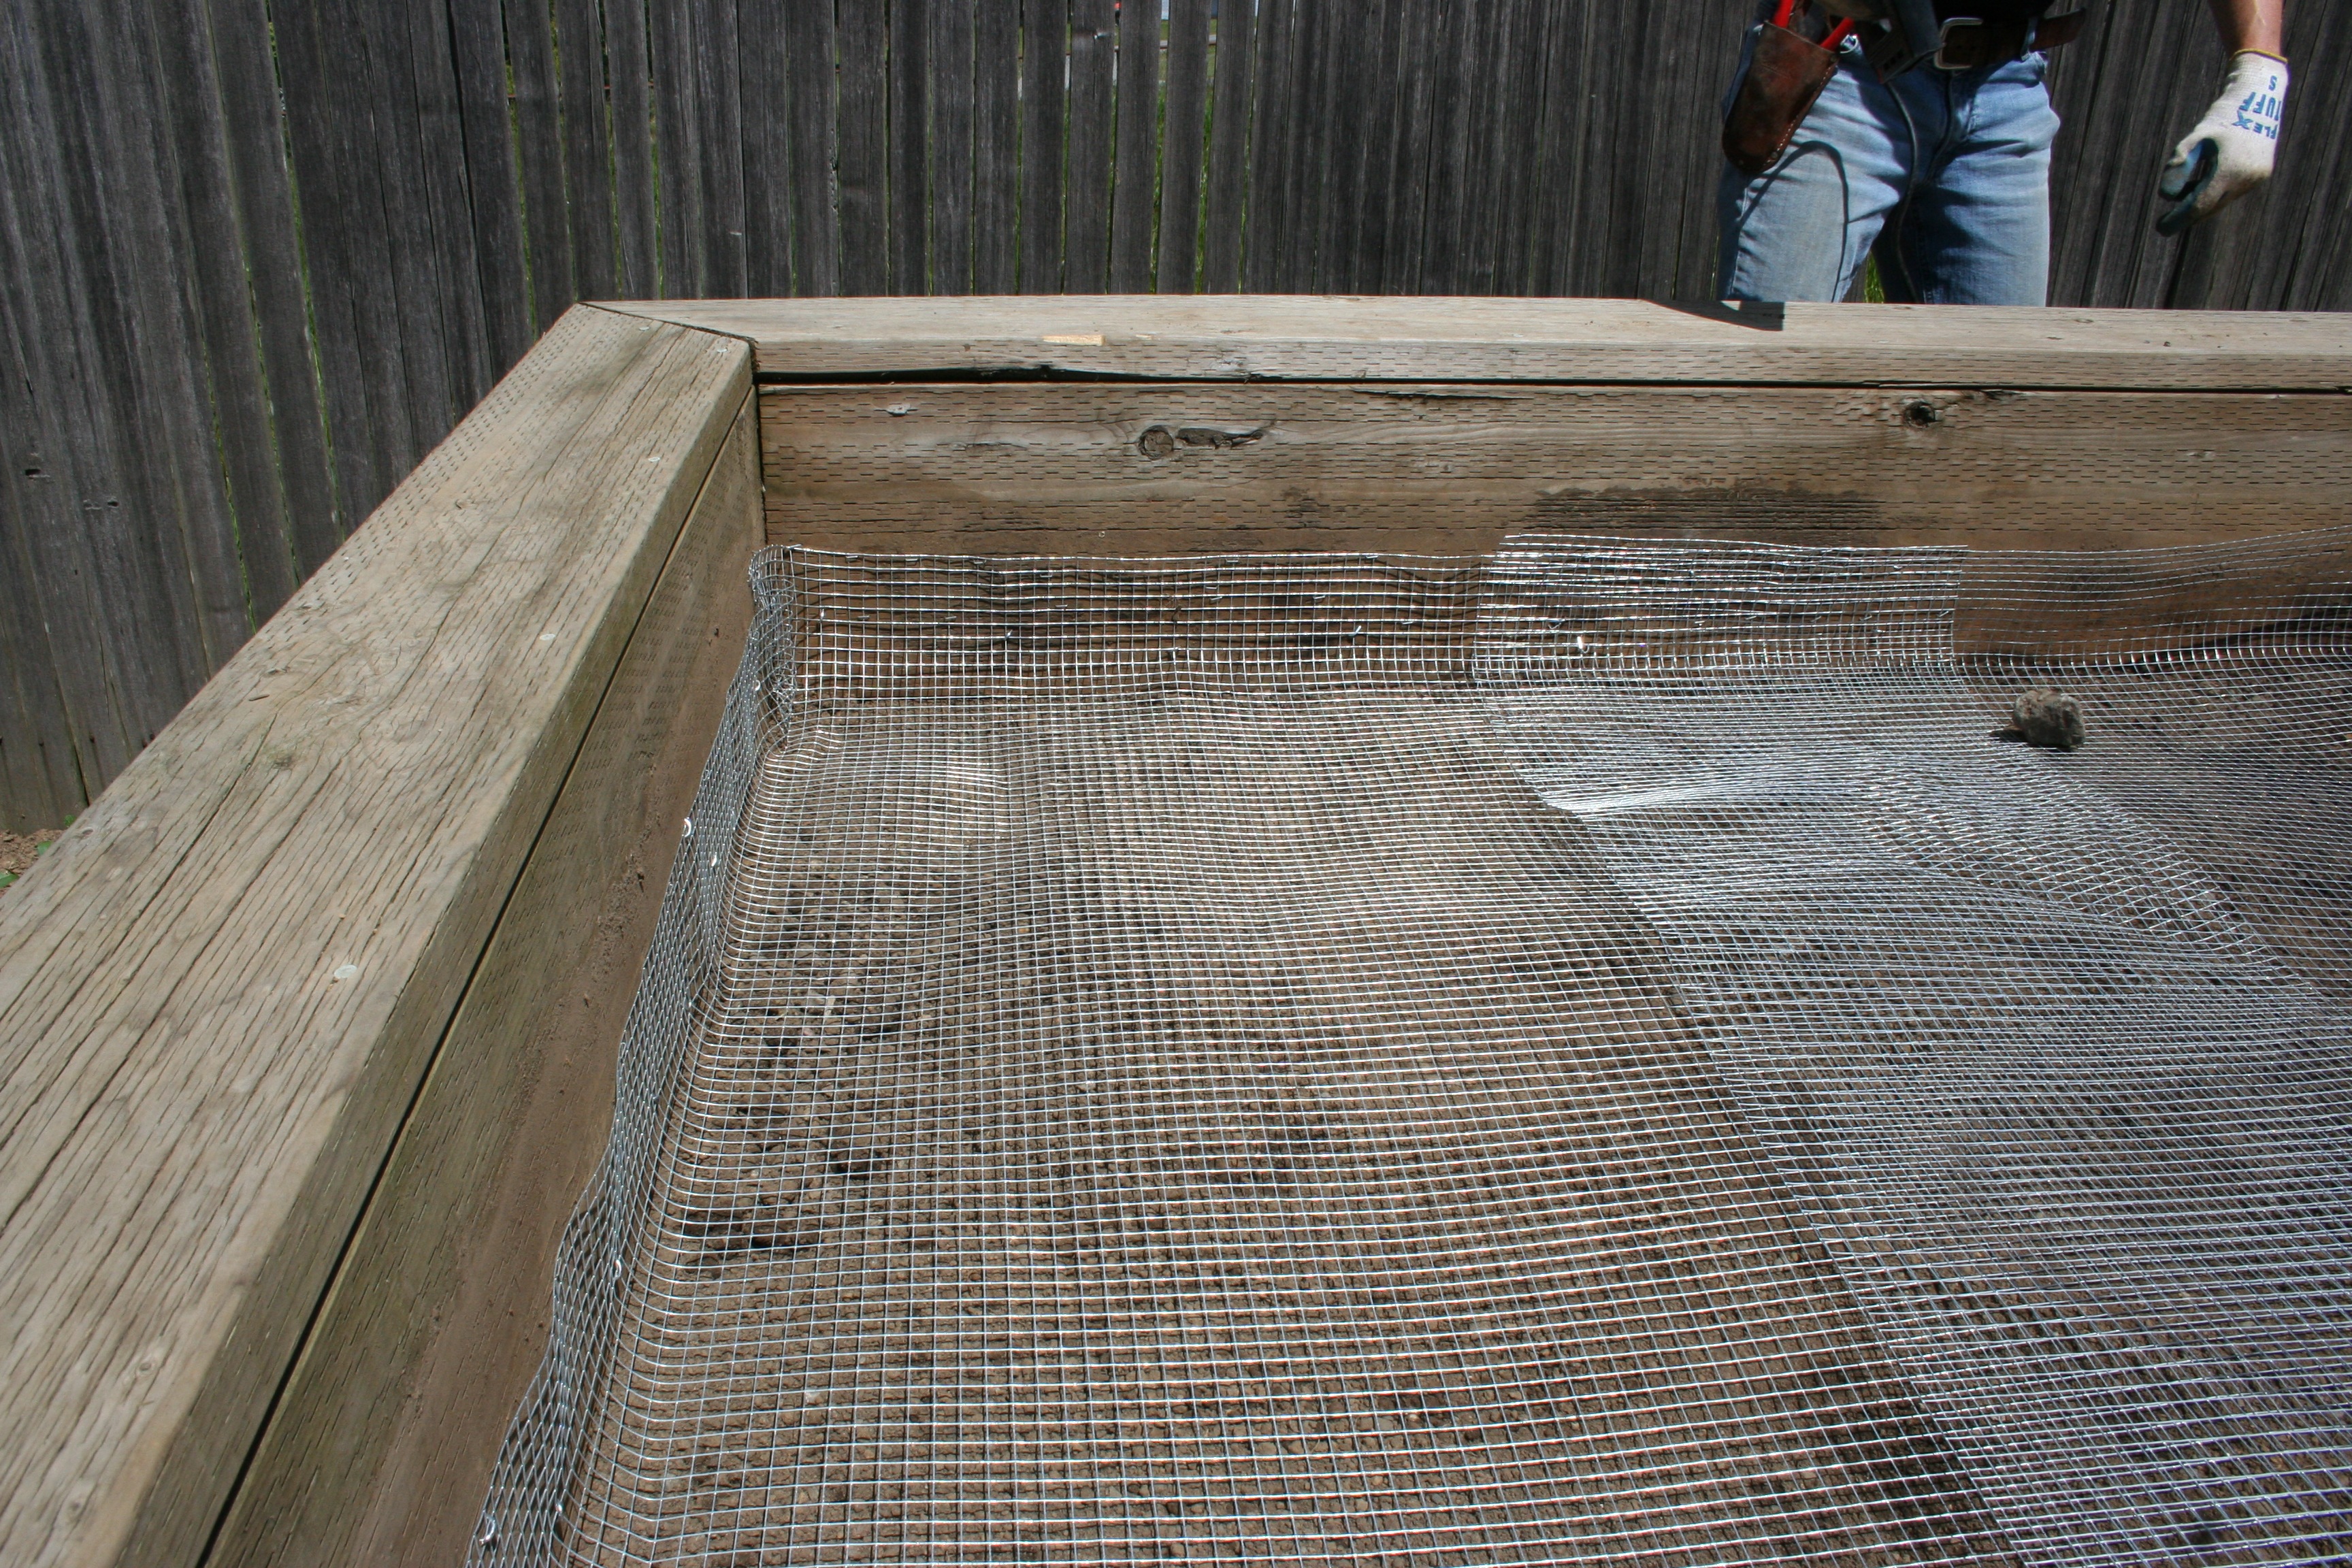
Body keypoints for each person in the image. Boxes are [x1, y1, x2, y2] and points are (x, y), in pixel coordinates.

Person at [1716, 0, 2289, 305]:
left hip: (2007, 85)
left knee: (1997, 398)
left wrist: (2259, 73)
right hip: (1839, 64)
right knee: (1773, 380)